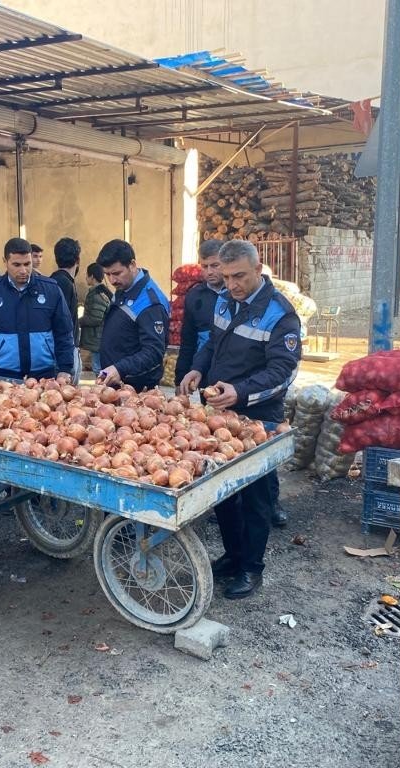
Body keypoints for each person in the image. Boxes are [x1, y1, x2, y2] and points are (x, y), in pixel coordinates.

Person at [179, 240, 302, 599]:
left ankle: (251, 568)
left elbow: (283, 371)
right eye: (226, 275)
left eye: (239, 276)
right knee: (222, 493)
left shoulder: (280, 315)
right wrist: (197, 370)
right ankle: (233, 557)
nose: (231, 284)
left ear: (258, 269)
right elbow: (212, 345)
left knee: (255, 496)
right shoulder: (223, 301)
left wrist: (242, 392)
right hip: (220, 412)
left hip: (258, 416)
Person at [0, 237, 75, 381]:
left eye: (27, 264)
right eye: (17, 265)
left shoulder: (51, 290)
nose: (23, 270)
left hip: (44, 376)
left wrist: (65, 368)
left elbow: (64, 332)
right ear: (5, 262)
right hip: (4, 376)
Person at [96, 239, 170, 391]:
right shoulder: (124, 288)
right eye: (107, 274)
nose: (112, 280)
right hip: (116, 383)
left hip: (136, 390)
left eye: (116, 273)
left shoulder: (150, 303)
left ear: (132, 265)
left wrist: (120, 368)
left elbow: (153, 352)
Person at [174, 240, 225, 386]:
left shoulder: (238, 295)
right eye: (205, 266)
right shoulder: (194, 295)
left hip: (233, 376)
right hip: (203, 373)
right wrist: (180, 379)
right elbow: (188, 341)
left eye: (215, 265)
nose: (209, 271)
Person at [51, 237, 82, 380]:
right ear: (77, 259)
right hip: (64, 353)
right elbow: (63, 325)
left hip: (62, 350)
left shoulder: (54, 281)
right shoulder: (64, 284)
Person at [79, 263, 111, 374]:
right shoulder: (98, 292)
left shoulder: (97, 295)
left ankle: (102, 389)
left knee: (98, 369)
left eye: (87, 275)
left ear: (92, 276)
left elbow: (96, 318)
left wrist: (79, 321)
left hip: (98, 337)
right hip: (97, 337)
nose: (86, 278)